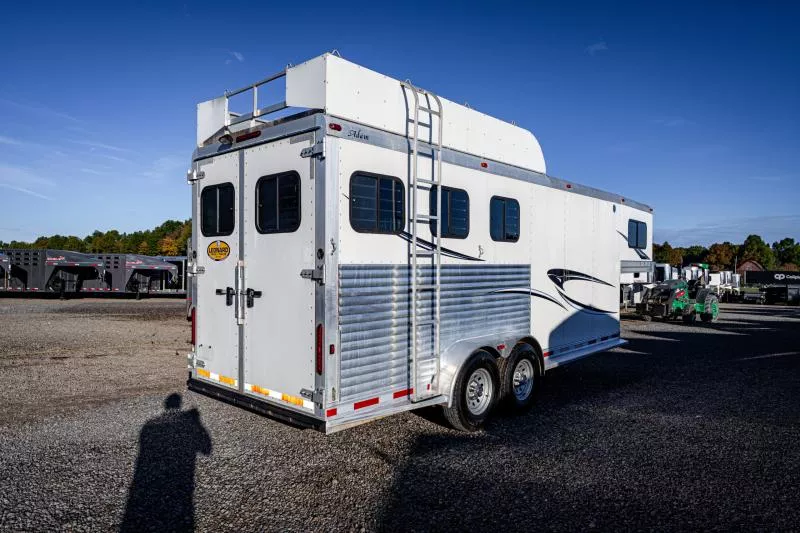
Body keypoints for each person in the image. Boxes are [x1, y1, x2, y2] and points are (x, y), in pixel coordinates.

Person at [121, 394, 211, 532]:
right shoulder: (188, 423)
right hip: (181, 482)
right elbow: (206, 448)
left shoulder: (149, 425)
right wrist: (197, 421)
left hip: (150, 483)